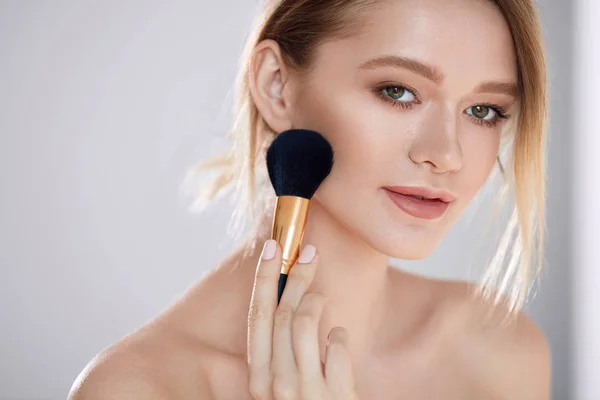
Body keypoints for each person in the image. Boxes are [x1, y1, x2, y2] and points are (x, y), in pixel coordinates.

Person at [69, 0, 551, 398]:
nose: (446, 154)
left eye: (483, 110)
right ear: (277, 86)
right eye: (397, 91)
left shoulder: (500, 352)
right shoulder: (143, 388)